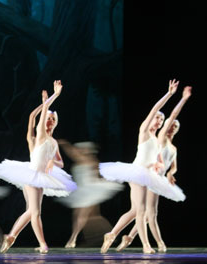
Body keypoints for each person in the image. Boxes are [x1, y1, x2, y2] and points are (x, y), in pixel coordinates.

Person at [99, 79, 181, 254]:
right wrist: (169, 94)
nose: (159, 121)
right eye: (157, 118)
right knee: (141, 211)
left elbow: (156, 159)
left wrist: (159, 164)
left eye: (161, 120)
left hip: (146, 174)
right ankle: (145, 245)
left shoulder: (156, 139)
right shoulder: (144, 130)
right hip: (136, 172)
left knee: (135, 210)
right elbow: (153, 109)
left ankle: (112, 234)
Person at [0, 80, 76, 254]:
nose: (50, 121)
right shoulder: (39, 136)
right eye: (48, 118)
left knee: (33, 211)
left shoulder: (53, 142)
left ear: (55, 123)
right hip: (31, 175)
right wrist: (52, 97)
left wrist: (51, 162)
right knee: (35, 211)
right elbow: (34, 117)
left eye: (53, 119)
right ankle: (20, 237)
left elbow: (61, 162)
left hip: (40, 177)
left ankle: (23, 239)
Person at [116, 86, 191, 253]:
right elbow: (170, 115)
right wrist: (181, 98)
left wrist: (170, 173)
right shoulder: (157, 137)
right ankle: (155, 243)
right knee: (145, 213)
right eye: (170, 126)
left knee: (145, 214)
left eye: (175, 127)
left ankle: (128, 237)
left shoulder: (168, 146)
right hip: (144, 174)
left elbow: (172, 167)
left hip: (155, 177)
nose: (172, 128)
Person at [56, 140, 123, 248]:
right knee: (93, 217)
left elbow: (71, 152)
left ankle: (73, 239)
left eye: (80, 149)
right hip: (87, 190)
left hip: (88, 191)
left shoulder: (85, 159)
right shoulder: (91, 160)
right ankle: (111, 236)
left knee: (80, 215)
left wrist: (63, 143)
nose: (78, 151)